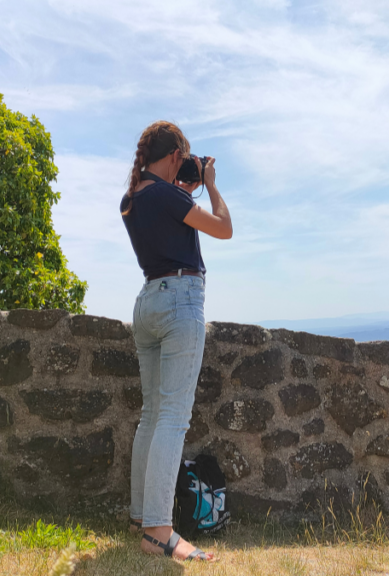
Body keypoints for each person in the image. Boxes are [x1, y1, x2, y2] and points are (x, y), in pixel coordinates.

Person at [120, 121, 232, 562]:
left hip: (147, 302)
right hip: (179, 301)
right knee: (172, 419)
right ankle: (158, 531)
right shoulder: (168, 195)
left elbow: (168, 216)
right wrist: (210, 185)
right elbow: (222, 228)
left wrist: (184, 186)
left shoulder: (132, 198)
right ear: (172, 157)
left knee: (151, 416)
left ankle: (139, 516)